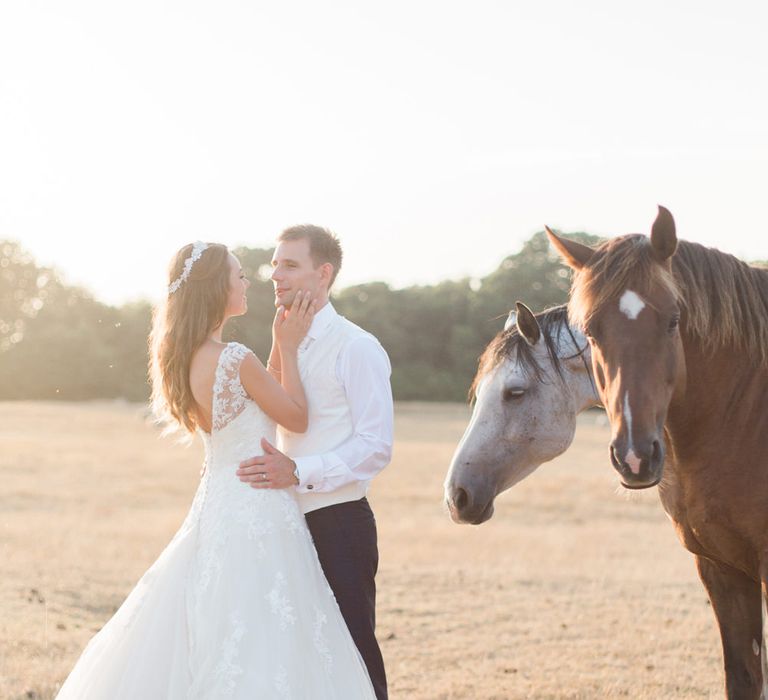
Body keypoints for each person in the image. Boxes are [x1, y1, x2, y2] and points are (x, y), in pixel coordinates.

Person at [55, 241, 376, 699]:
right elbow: (297, 417)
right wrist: (286, 345)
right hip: (258, 503)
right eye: (239, 275)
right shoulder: (234, 358)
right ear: (216, 289)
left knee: (219, 619)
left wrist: (274, 349)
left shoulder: (184, 357)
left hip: (218, 502)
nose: (248, 282)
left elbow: (256, 397)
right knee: (264, 625)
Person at [236, 225, 394, 700]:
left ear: (323, 273)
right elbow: (262, 412)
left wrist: (300, 472)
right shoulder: (286, 336)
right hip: (280, 521)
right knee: (292, 652)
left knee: (352, 653)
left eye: (289, 264)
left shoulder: (357, 346)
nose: (274, 275)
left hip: (338, 522)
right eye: (273, 264)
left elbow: (375, 445)